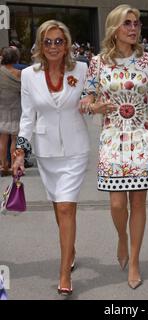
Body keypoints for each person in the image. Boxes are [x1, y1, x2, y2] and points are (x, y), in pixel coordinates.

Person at [81, 4, 148, 290]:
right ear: (114, 29)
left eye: (137, 23)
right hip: (112, 137)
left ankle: (134, 260)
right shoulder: (98, 62)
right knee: (118, 203)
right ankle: (122, 238)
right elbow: (87, 100)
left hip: (143, 136)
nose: (134, 28)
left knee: (138, 202)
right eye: (127, 23)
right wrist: (95, 106)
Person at [12, 20, 90, 296]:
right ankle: (70, 248)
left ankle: (63, 272)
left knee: (67, 207)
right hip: (46, 151)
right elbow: (27, 117)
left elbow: (92, 97)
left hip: (76, 147)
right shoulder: (29, 76)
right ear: (40, 45)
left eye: (59, 41)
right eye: (48, 41)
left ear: (67, 44)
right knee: (59, 208)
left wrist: (92, 104)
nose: (54, 46)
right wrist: (20, 151)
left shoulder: (81, 70)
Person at [0, 47, 21, 176]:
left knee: (2, 139)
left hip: (1, 107)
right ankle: (14, 165)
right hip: (15, 107)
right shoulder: (19, 73)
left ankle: (3, 165)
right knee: (14, 139)